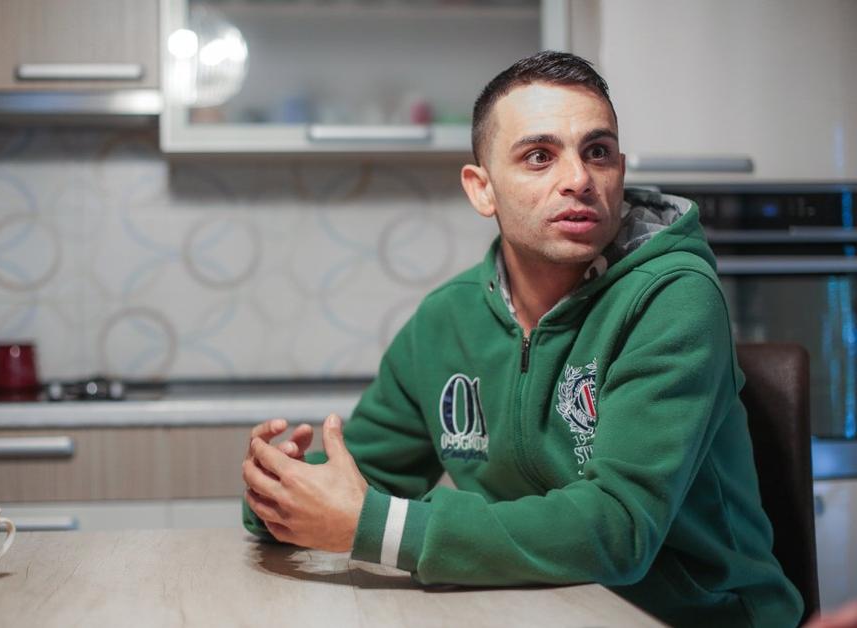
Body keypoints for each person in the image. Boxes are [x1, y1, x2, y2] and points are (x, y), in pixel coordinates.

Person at [241, 51, 803, 627]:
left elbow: (619, 529)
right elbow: (364, 478)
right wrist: (281, 492)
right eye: (540, 156)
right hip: (538, 610)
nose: (579, 179)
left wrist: (376, 526)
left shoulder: (674, 298)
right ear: (482, 189)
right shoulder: (446, 320)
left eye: (597, 152)